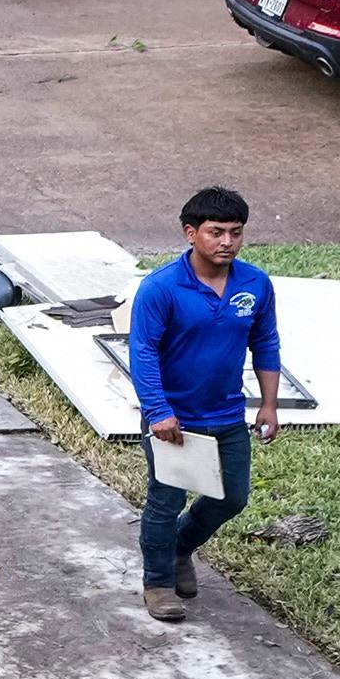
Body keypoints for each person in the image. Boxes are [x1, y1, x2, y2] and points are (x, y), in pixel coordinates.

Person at [130, 184, 285, 625]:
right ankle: (158, 583)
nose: (227, 242)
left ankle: (180, 547)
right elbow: (142, 352)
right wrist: (158, 411)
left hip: (226, 413)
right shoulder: (160, 288)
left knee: (232, 497)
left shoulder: (255, 284)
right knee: (166, 500)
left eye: (236, 232)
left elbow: (266, 342)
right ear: (190, 233)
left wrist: (269, 404)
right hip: (173, 418)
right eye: (216, 232)